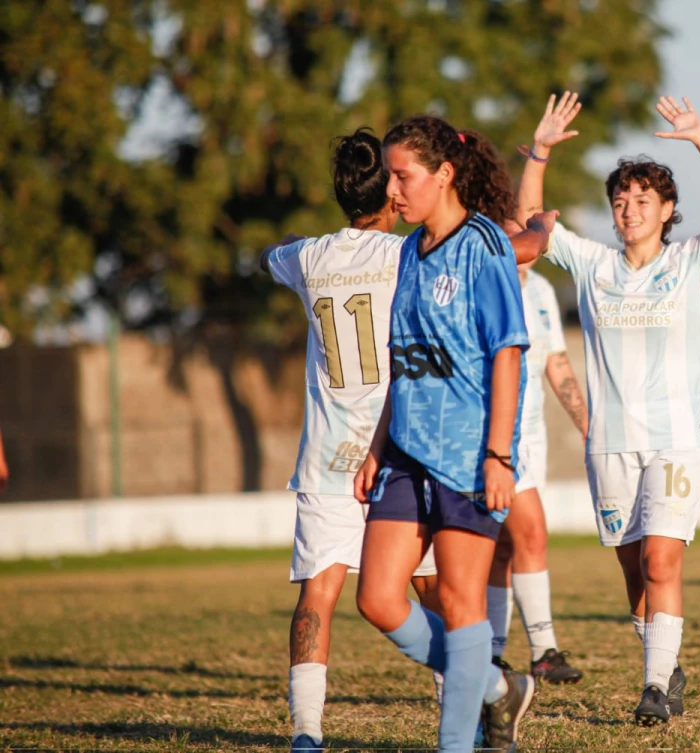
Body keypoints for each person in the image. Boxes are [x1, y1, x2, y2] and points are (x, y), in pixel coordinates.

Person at [515, 91, 700, 725]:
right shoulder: (592, 265)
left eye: (643, 200)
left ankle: (652, 690)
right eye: (620, 201)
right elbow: (528, 224)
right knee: (634, 574)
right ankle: (665, 664)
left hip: (677, 438)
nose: (629, 210)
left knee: (660, 559)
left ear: (667, 209)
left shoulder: (689, 262)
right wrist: (539, 152)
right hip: (609, 443)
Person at [353, 115, 548, 753]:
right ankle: (494, 687)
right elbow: (403, 359)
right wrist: (377, 448)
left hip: (468, 452)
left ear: (444, 175)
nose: (392, 191)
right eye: (388, 178)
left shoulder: (484, 244)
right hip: (406, 452)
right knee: (380, 598)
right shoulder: (409, 250)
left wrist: (499, 455)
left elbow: (508, 353)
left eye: (403, 177)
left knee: (463, 604)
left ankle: (457, 743)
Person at [260, 128, 410, 753]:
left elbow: (272, 253)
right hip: (399, 446)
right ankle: (468, 702)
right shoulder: (411, 254)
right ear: (393, 193)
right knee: (428, 586)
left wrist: (310, 240)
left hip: (327, 453)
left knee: (318, 592)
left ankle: (306, 732)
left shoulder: (309, 258)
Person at [486, 253, 588, 683]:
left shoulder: (542, 289)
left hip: (532, 438)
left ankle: (490, 653)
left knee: (505, 547)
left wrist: (587, 425)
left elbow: (557, 363)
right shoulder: (486, 282)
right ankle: (543, 650)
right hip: (495, 436)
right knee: (530, 533)